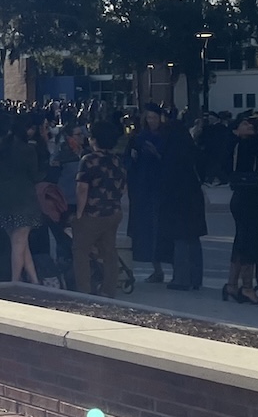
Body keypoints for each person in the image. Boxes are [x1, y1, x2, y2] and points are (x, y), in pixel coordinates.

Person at [0, 113, 47, 285]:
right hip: (23, 199)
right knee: (20, 242)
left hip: (0, 199)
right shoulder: (27, 150)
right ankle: (15, 282)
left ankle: (34, 279)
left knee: (18, 242)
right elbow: (35, 175)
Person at [73, 122, 126, 297]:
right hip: (114, 211)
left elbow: (82, 188)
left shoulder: (89, 160)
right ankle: (109, 289)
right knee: (109, 251)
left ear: (94, 140)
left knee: (81, 250)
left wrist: (79, 213)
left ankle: (84, 290)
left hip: (93, 212)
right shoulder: (117, 160)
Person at [157, 116, 207, 291]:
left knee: (180, 239)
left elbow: (166, 178)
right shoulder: (191, 149)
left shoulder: (171, 153)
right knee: (193, 239)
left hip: (176, 200)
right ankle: (195, 278)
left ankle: (181, 278)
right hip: (194, 197)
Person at [225, 116, 258, 304]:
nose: (249, 126)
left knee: (240, 241)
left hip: (240, 197)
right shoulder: (245, 144)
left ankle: (232, 285)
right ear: (236, 130)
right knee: (248, 242)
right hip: (248, 198)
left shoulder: (235, 145)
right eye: (244, 124)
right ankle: (247, 287)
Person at [126, 107, 166, 283]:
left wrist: (156, 153)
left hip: (160, 185)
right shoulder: (138, 138)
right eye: (149, 117)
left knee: (159, 228)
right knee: (145, 230)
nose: (152, 121)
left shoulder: (166, 137)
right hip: (142, 187)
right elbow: (128, 159)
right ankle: (155, 268)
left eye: (154, 117)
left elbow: (170, 159)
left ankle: (160, 267)